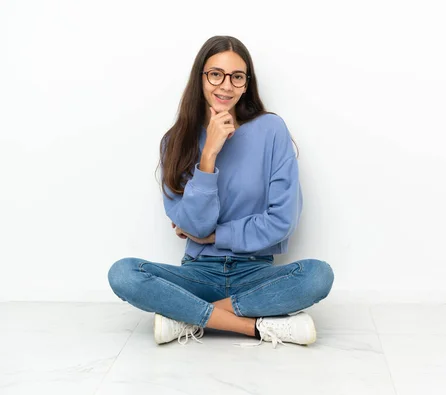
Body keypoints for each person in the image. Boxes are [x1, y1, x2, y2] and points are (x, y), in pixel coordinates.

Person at [107, 35, 334, 348]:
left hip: (255, 274)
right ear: (200, 77)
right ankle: (255, 327)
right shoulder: (174, 143)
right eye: (216, 74)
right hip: (197, 276)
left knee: (317, 276)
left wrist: (216, 237)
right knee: (124, 274)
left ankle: (187, 317)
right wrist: (208, 155)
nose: (226, 86)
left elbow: (282, 221)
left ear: (246, 84)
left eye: (237, 77)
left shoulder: (271, 130)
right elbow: (193, 227)